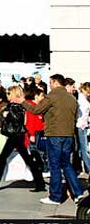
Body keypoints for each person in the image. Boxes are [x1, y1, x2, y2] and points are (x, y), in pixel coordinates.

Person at [23, 74, 85, 205]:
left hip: (54, 134)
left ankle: (55, 196)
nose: (49, 85)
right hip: (68, 135)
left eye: (50, 83)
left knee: (54, 166)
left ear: (54, 82)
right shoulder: (72, 98)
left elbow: (35, 110)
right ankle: (78, 193)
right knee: (67, 165)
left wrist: (22, 102)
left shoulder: (51, 96)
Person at [0, 85, 46, 192]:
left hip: (15, 136)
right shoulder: (15, 105)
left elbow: (17, 120)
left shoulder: (17, 106)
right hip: (16, 135)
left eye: (9, 94)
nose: (8, 96)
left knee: (5, 159)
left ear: (15, 94)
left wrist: (7, 114)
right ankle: (40, 183)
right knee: (24, 160)